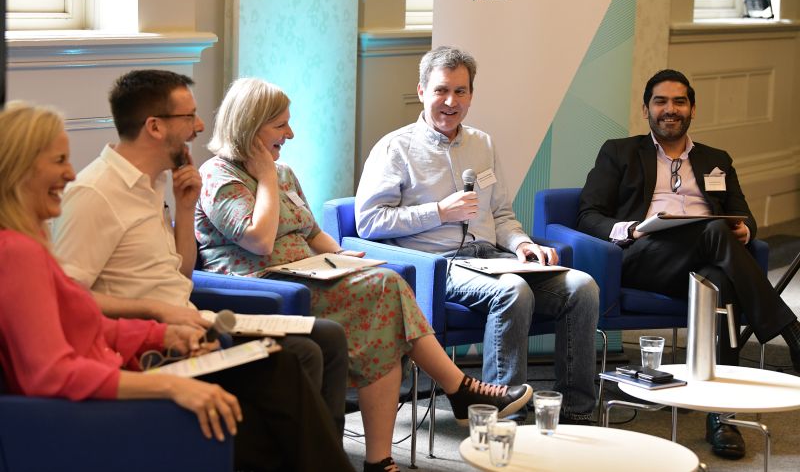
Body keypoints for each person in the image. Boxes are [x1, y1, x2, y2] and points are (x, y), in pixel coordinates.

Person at [195, 77, 533, 472]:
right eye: (280, 125)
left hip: (305, 277)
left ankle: (382, 459)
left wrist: (341, 256)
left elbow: (311, 231)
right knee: (386, 289)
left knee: (383, 312)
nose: (290, 133)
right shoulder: (219, 176)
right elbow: (259, 241)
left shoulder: (283, 172)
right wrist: (265, 176)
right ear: (250, 128)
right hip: (261, 289)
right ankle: (459, 389)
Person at [0, 102, 354, 472]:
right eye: (58, 161)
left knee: (278, 374)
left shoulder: (33, 242)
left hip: (120, 374)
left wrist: (159, 335)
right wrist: (171, 387)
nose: (70, 173)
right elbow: (52, 373)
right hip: (90, 414)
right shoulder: (19, 252)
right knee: (269, 407)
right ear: (19, 169)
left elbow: (89, 324)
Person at [355, 46, 600, 424]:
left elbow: (500, 213)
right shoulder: (394, 148)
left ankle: (577, 413)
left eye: (461, 91)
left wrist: (523, 244)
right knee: (511, 292)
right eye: (441, 91)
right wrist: (439, 212)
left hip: (491, 257)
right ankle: (500, 418)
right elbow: (369, 222)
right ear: (421, 91)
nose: (451, 102)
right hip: (437, 265)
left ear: (471, 94)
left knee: (582, 287)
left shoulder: (482, 143)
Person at [577, 68, 800, 460]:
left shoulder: (716, 159)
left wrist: (745, 230)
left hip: (706, 262)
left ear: (692, 109)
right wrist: (630, 229)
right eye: (660, 101)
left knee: (719, 281)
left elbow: (744, 216)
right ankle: (788, 329)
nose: (670, 109)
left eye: (679, 101)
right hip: (645, 258)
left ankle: (722, 415)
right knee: (715, 236)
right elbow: (588, 215)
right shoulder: (619, 151)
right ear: (646, 109)